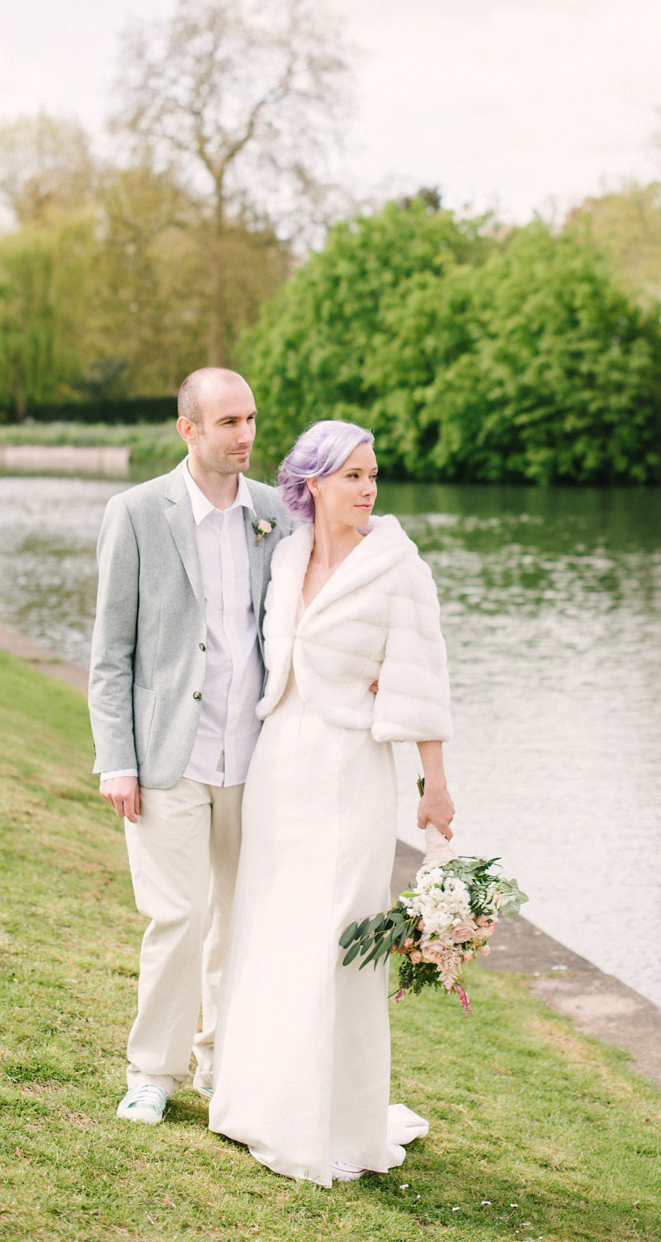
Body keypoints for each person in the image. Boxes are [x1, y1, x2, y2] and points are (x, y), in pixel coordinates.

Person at [208, 419, 455, 1186]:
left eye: (372, 473)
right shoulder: (283, 556)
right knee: (270, 928)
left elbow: (421, 676)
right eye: (351, 475)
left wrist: (435, 786)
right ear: (311, 484)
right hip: (280, 765)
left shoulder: (399, 567)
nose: (368, 487)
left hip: (353, 771)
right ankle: (259, 1102)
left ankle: (334, 1121)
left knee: (338, 942)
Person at [88, 367, 287, 1126]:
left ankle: (219, 1063)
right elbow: (111, 655)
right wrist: (118, 760)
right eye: (229, 423)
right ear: (189, 430)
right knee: (177, 917)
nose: (245, 437)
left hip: (255, 759)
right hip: (168, 756)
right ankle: (152, 1073)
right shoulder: (137, 513)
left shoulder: (275, 513)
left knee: (238, 921)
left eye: (252, 421)